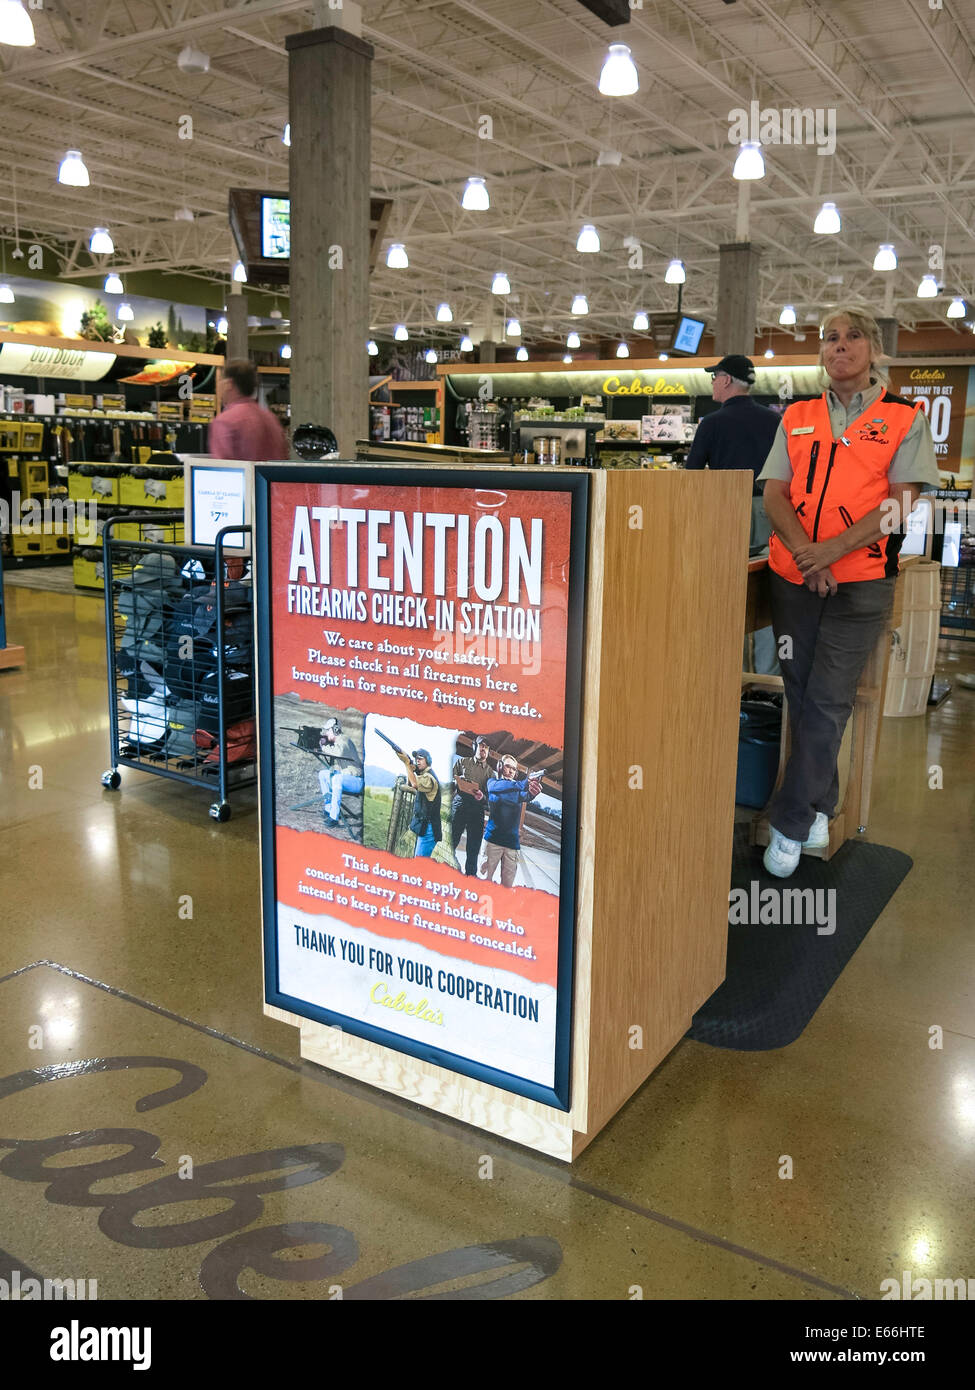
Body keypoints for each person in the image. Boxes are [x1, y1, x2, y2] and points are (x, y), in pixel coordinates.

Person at [757, 307, 939, 878]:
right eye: (831, 338)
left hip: (860, 584)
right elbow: (774, 495)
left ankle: (789, 822)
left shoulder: (903, 418)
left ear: (874, 350)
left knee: (828, 699)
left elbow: (901, 502)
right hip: (794, 578)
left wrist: (832, 552)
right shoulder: (797, 415)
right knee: (802, 692)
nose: (841, 346)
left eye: (853, 337)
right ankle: (820, 803)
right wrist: (808, 556)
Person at [686, 354, 781, 552]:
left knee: (727, 569)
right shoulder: (774, 420)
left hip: (726, 507)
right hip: (769, 508)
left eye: (715, 377)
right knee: (763, 570)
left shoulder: (712, 423)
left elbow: (691, 473)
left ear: (727, 380)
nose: (712, 383)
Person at [208, 359, 288, 462]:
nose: (217, 387)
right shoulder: (271, 419)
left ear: (229, 384)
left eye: (220, 381)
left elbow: (222, 470)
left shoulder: (225, 422)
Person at [480, 755, 542, 888]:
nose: (511, 771)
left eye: (514, 769)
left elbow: (525, 795)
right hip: (492, 842)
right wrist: (525, 783)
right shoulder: (493, 783)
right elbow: (500, 788)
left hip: (512, 845)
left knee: (507, 887)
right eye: (508, 766)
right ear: (500, 767)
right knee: (484, 883)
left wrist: (532, 792)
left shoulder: (516, 790)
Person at [451, 735, 492, 875]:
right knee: (451, 840)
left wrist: (483, 797)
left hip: (477, 810)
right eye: (481, 745)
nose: (483, 749)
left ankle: (470, 877)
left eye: (486, 747)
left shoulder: (490, 773)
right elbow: (450, 781)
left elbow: (491, 797)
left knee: (473, 848)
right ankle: (445, 869)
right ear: (475, 746)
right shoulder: (462, 762)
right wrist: (456, 782)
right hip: (459, 805)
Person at [396, 748, 442, 858]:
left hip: (429, 829)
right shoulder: (424, 774)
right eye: (416, 759)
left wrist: (407, 764)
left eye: (421, 759)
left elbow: (414, 784)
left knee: (420, 864)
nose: (417, 761)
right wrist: (410, 767)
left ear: (428, 761)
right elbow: (411, 781)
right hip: (425, 827)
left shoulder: (429, 777)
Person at [317, 718, 363, 827]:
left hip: (357, 781)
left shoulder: (344, 740)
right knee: (323, 774)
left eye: (328, 730)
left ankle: (334, 817)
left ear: (335, 729)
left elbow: (338, 752)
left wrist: (323, 747)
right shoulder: (338, 741)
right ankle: (328, 809)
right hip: (348, 777)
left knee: (337, 779)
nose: (326, 733)